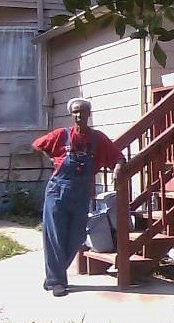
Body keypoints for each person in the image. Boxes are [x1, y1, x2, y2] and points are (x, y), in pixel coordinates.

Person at [32, 98, 125, 297]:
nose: (78, 115)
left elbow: (118, 156)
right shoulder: (61, 135)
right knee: (55, 237)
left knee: (77, 237)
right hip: (57, 193)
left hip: (82, 195)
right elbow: (38, 146)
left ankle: (53, 275)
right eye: (75, 112)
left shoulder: (97, 139)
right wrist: (53, 161)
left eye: (82, 112)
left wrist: (118, 168)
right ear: (71, 114)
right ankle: (57, 281)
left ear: (88, 114)